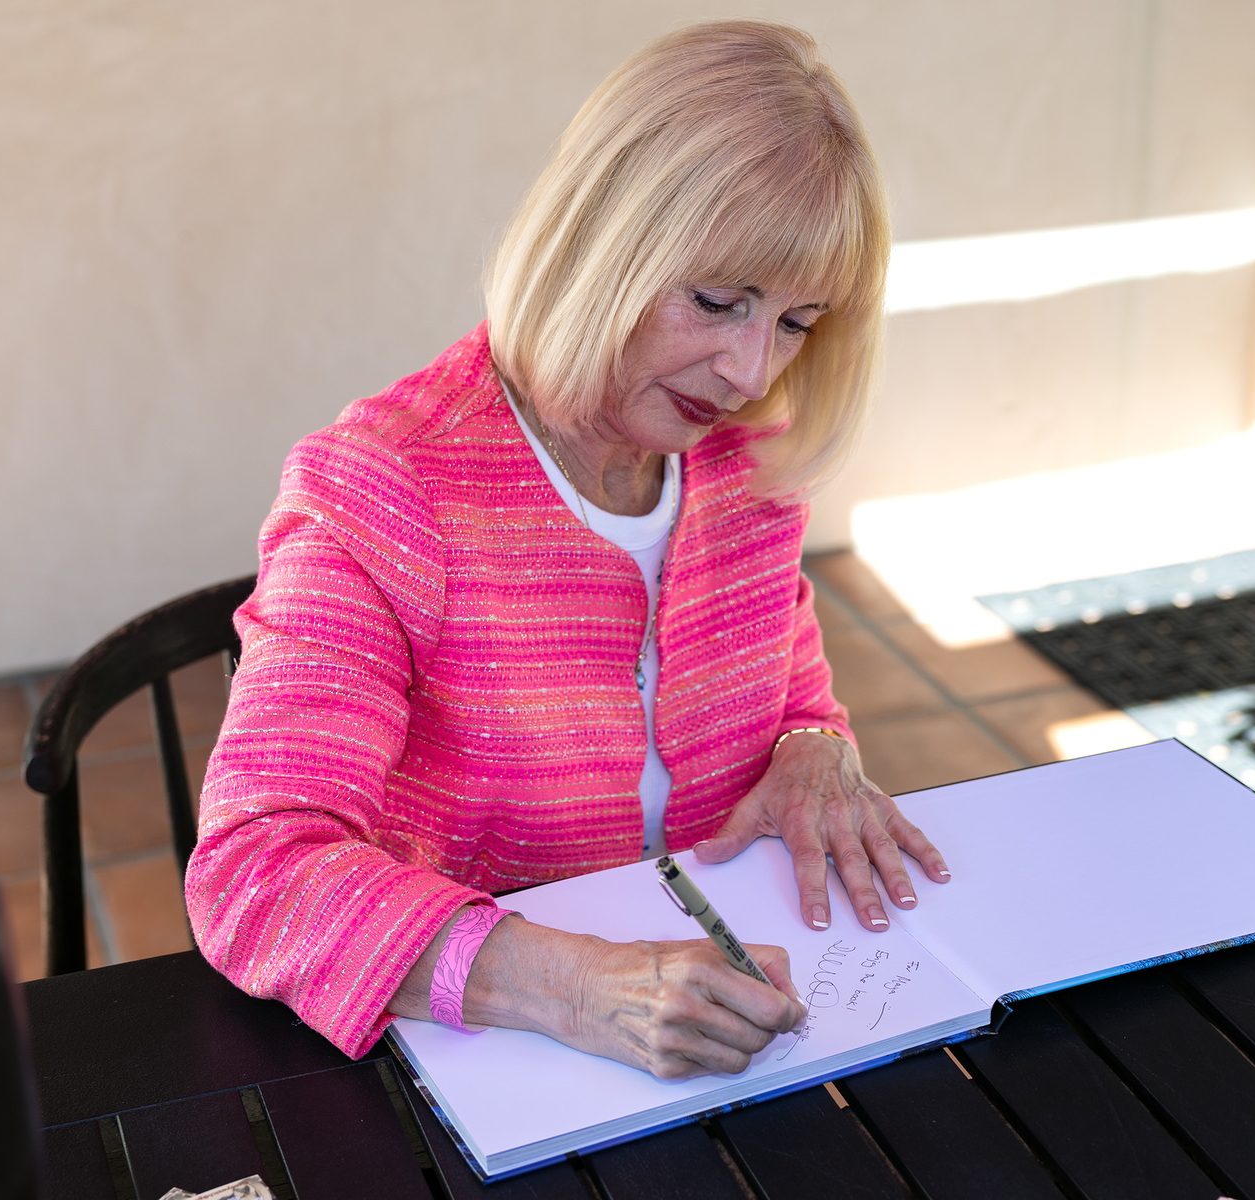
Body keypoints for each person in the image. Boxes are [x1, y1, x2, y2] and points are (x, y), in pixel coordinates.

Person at [186, 20, 950, 1081]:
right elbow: (256, 871)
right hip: (493, 1061)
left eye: (796, 323)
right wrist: (578, 986)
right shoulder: (387, 484)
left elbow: (792, 699)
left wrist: (813, 750)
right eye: (718, 301)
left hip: (717, 1038)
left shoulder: (748, 462)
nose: (749, 372)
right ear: (600, 239)